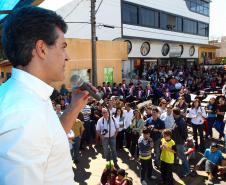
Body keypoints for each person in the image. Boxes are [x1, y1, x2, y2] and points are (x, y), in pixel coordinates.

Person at [0, 6, 89, 185]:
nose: (67, 56)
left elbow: (49, 139)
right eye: (63, 47)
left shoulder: (28, 96)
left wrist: (74, 107)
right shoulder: (25, 113)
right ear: (41, 49)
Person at [172, 108, 190, 177]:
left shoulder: (181, 122)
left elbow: (184, 133)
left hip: (179, 142)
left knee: (183, 157)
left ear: (175, 114)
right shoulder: (176, 120)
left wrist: (184, 141)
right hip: (175, 141)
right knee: (179, 155)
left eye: (173, 113)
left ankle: (187, 171)